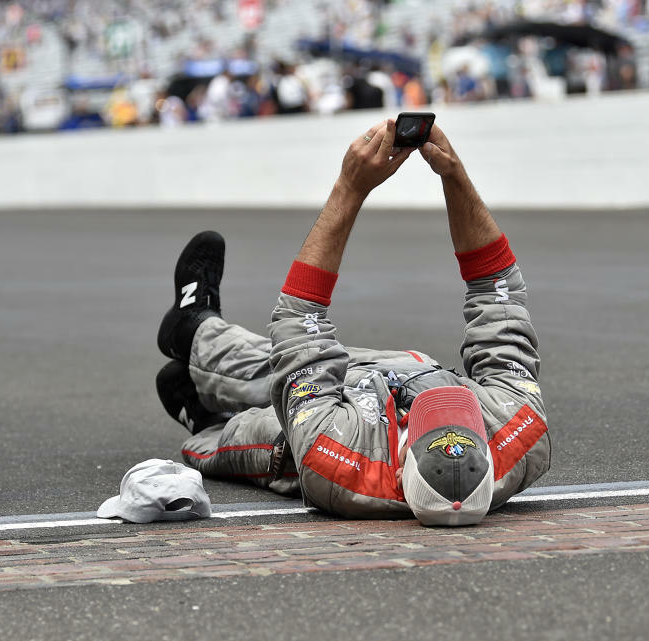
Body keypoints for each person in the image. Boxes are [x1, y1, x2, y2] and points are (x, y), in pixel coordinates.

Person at [155, 119, 551, 526]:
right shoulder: (517, 429)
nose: (443, 412)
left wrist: (350, 186)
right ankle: (190, 333)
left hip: (315, 438)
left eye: (429, 420)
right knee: (406, 364)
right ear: (487, 451)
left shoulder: (339, 460)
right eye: (457, 417)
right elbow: (498, 296)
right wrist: (453, 174)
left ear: (399, 472)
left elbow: (300, 327)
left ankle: (200, 401)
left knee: (264, 427)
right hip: (401, 380)